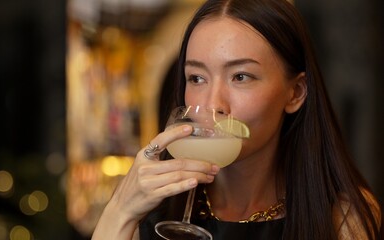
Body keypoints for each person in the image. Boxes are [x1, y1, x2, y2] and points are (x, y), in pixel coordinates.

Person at [92, 0, 383, 239]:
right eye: (196, 78)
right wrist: (121, 210)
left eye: (240, 77)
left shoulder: (342, 217)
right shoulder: (150, 208)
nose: (212, 104)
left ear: (295, 93)